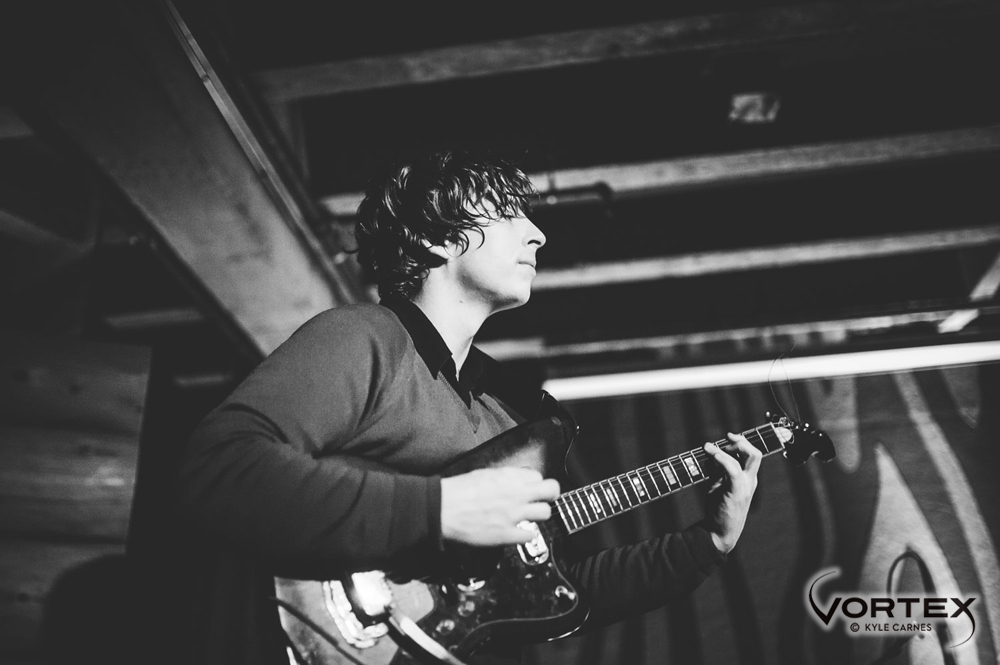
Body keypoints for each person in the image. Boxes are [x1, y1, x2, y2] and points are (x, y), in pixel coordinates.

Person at [175, 151, 762, 664]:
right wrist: (436, 510)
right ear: (438, 237)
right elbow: (221, 466)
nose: (538, 235)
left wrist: (706, 543)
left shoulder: (514, 417)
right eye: (508, 214)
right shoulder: (365, 338)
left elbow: (557, 589)